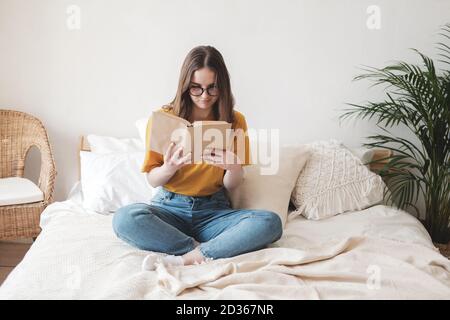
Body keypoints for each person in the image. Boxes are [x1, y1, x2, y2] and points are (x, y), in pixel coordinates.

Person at [112, 45, 282, 270]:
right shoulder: (163, 118)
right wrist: (169, 168)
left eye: (212, 88)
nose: (205, 96)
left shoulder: (235, 120)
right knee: (124, 218)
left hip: (214, 211)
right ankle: (200, 250)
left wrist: (234, 168)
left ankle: (187, 258)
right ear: (185, 86)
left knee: (270, 222)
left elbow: (232, 185)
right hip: (170, 208)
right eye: (196, 88)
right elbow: (152, 179)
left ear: (222, 86)